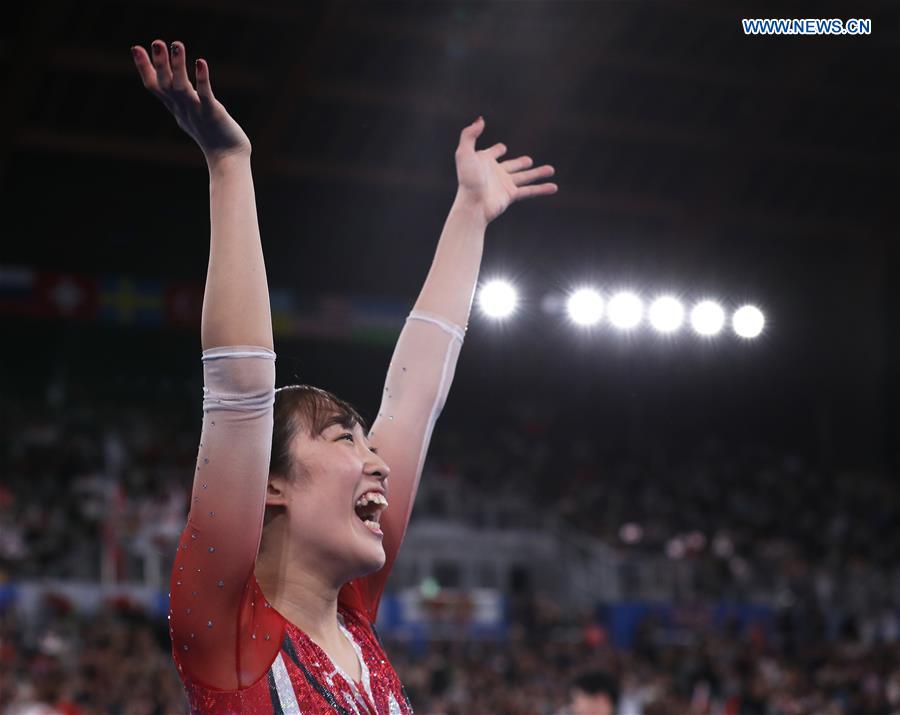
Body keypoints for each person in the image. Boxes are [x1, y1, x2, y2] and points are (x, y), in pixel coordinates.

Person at [131, 38, 557, 714]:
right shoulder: (230, 635)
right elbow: (241, 388)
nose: (379, 464)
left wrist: (470, 213)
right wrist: (229, 164)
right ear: (271, 483)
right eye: (343, 439)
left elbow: (414, 400)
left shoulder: (356, 619)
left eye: (366, 443)